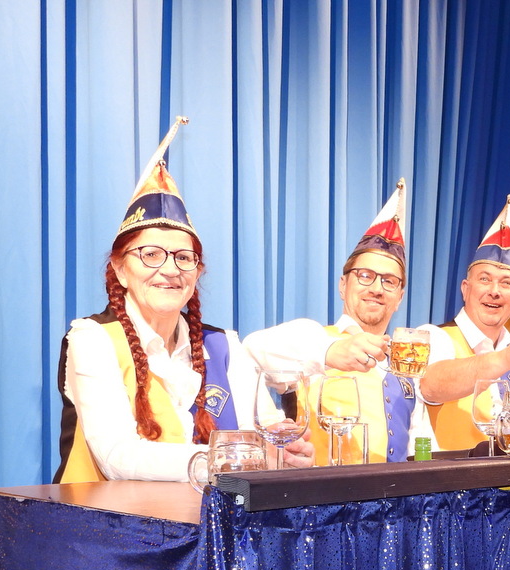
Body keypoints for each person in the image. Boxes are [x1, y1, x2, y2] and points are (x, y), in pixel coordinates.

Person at [55, 118, 326, 482]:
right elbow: (117, 457)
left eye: (183, 258)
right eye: (151, 254)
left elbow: (266, 432)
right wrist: (235, 456)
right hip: (107, 518)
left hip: (210, 519)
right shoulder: (92, 339)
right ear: (120, 270)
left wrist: (287, 454)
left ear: (198, 272)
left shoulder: (225, 346)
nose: (170, 269)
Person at [247, 179, 436, 463]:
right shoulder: (312, 337)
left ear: (399, 297)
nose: (376, 288)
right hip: (322, 490)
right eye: (365, 276)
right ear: (343, 285)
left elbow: (419, 444)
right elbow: (252, 349)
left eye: (389, 281)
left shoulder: (406, 366)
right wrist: (331, 351)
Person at [419, 196, 510, 451]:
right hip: (452, 474)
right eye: (485, 279)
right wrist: (506, 358)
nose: (495, 291)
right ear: (465, 289)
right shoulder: (434, 336)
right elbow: (430, 385)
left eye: (506, 283)